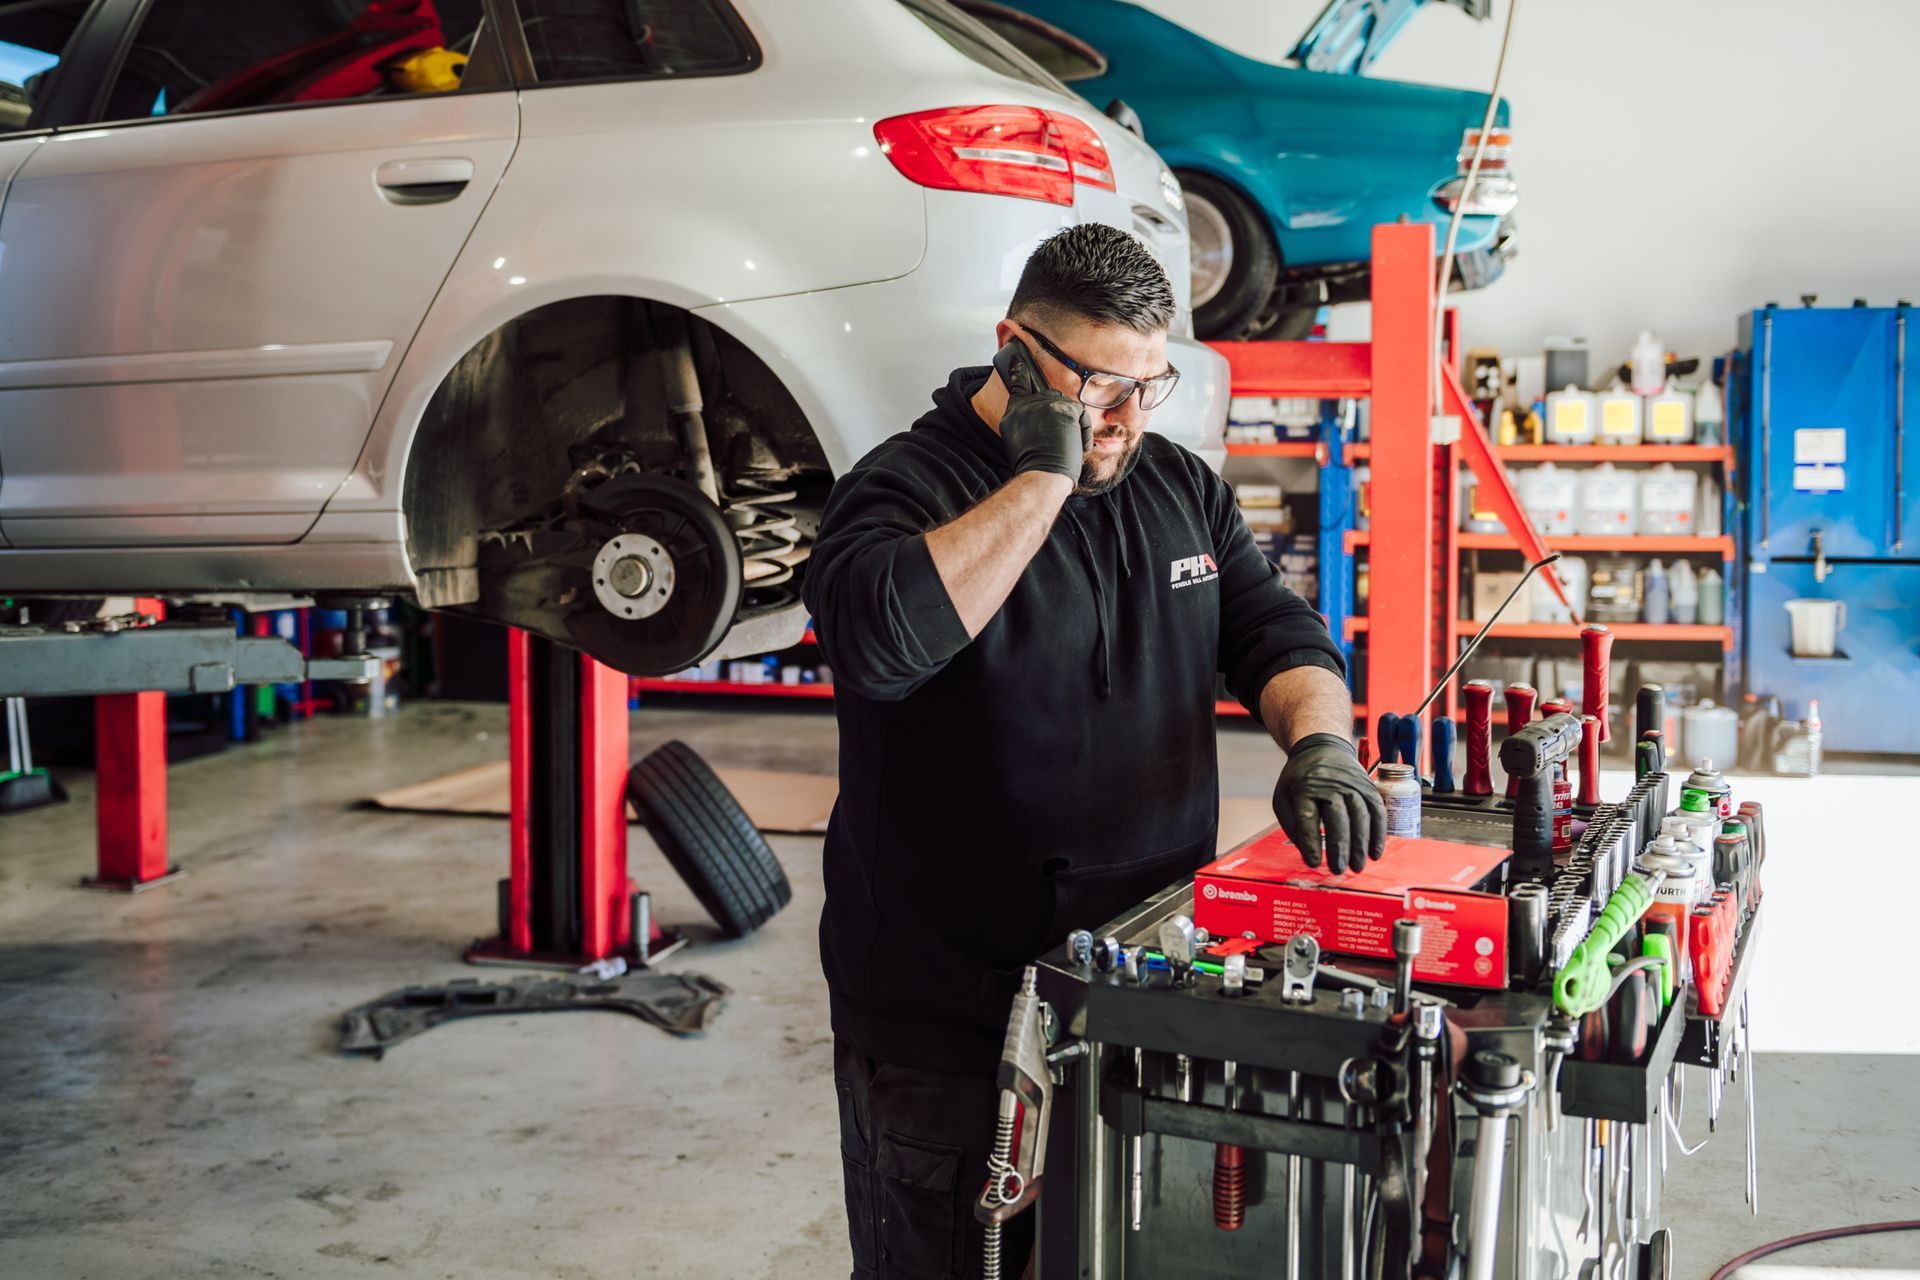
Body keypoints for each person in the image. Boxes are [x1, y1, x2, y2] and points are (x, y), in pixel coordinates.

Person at [803, 223, 1385, 1280]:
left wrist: (1323, 744)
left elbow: (1276, 633)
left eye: (1146, 385)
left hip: (1141, 994)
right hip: (951, 1020)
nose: (1120, 417)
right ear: (1014, 353)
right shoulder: (902, 488)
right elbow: (879, 645)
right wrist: (1042, 474)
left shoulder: (1180, 489)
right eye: (1095, 386)